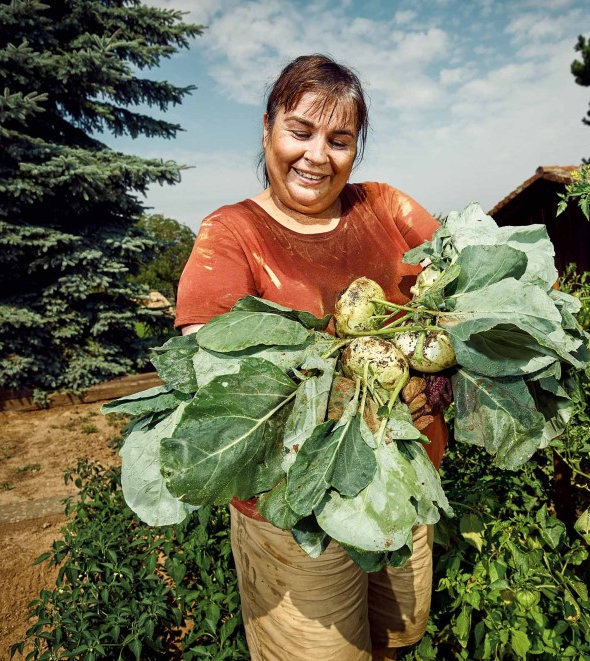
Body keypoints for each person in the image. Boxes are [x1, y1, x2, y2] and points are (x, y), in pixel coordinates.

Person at [174, 54, 449, 660]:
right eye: (300, 132)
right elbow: (207, 363)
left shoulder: (382, 207)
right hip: (297, 513)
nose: (318, 155)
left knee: (400, 636)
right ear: (268, 127)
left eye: (340, 139)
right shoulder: (232, 231)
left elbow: (461, 280)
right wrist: (345, 395)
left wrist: (439, 380)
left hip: (402, 484)